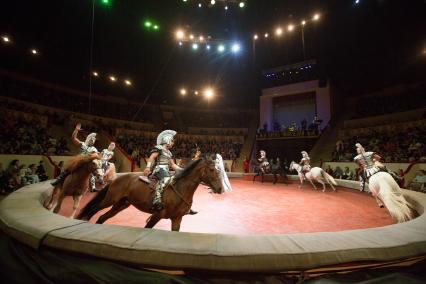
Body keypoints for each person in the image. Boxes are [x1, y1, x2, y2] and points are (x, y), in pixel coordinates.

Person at [141, 130, 185, 211]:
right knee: (166, 179)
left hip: (166, 170)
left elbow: (172, 165)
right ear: (167, 139)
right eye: (172, 141)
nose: (173, 143)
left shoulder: (169, 152)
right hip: (159, 169)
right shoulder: (159, 148)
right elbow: (152, 157)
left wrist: (183, 170)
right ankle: (156, 199)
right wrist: (147, 167)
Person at [51, 123, 98, 191]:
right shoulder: (82, 144)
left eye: (94, 140)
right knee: (69, 168)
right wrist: (76, 130)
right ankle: (59, 180)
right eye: (91, 139)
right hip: (79, 160)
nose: (93, 141)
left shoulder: (94, 148)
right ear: (88, 139)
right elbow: (73, 138)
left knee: (94, 169)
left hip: (87, 162)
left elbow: (96, 155)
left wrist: (91, 156)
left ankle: (93, 187)